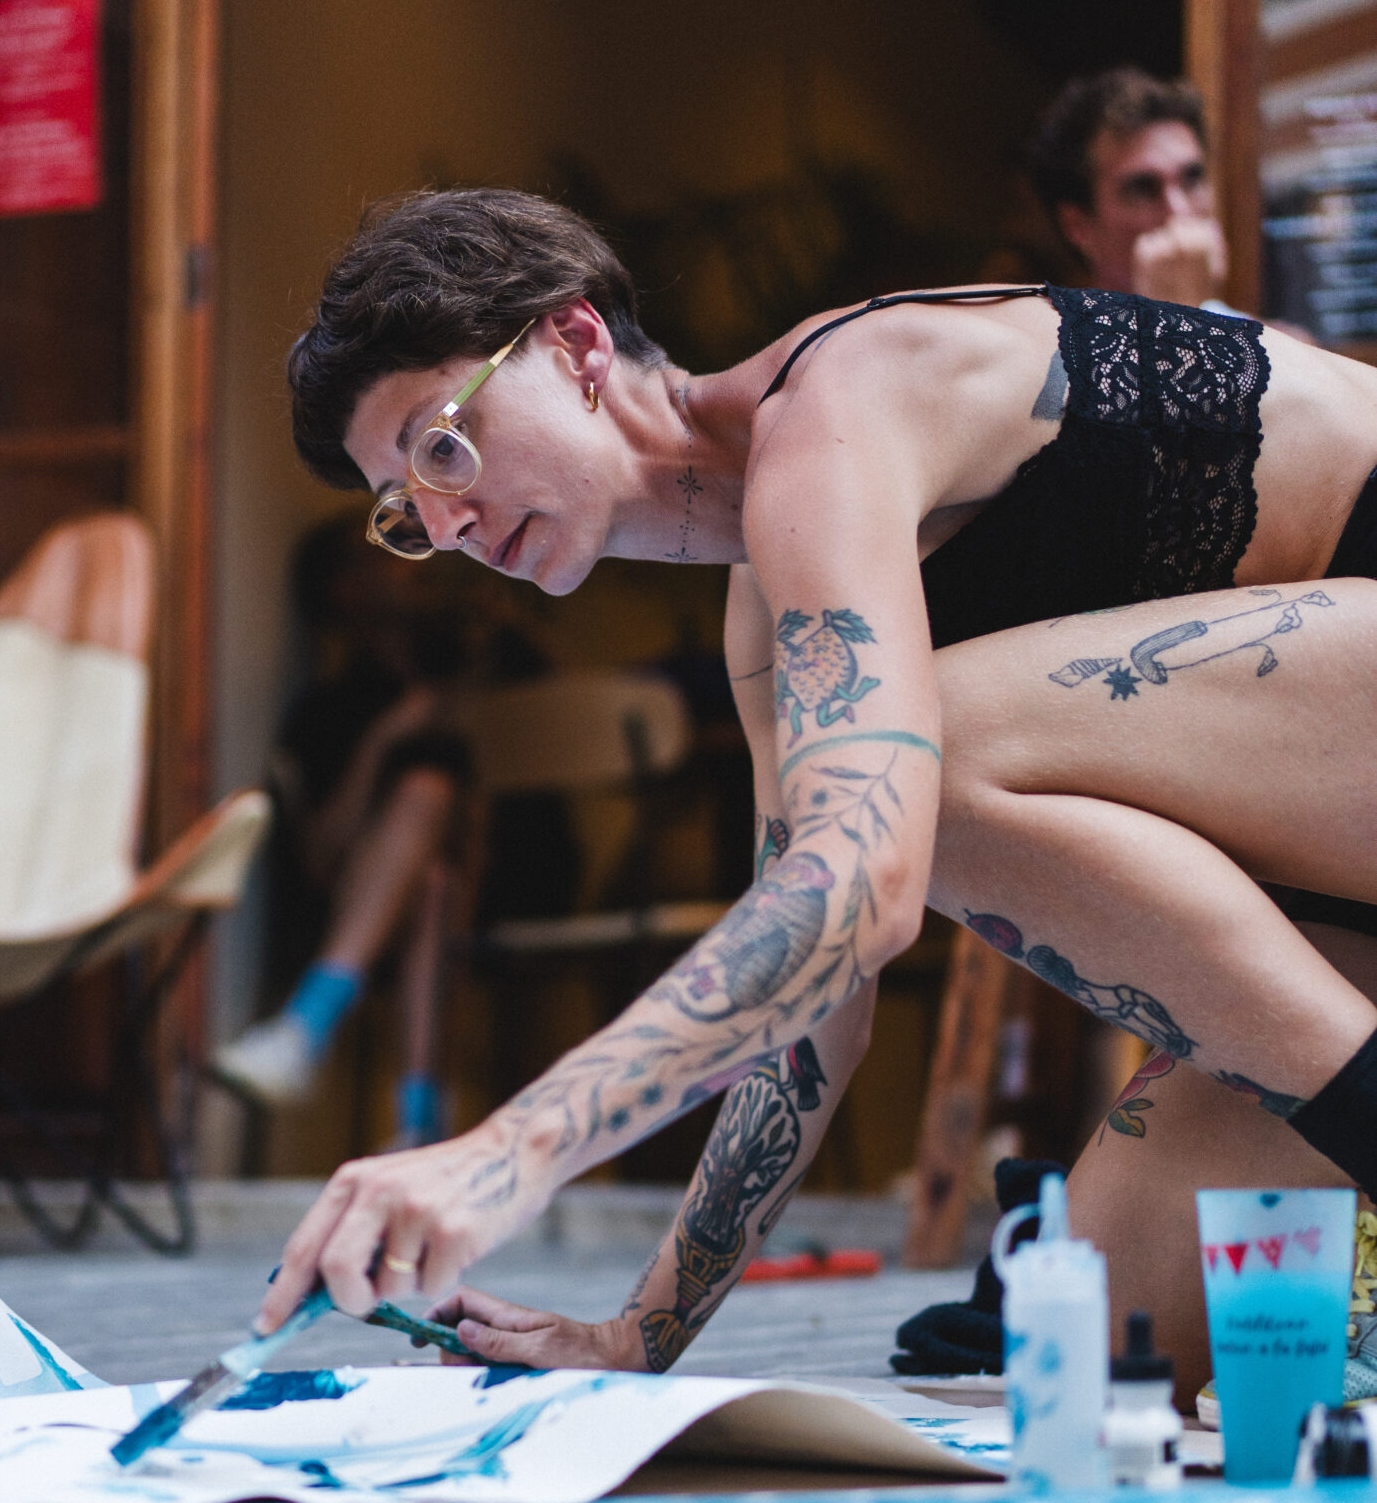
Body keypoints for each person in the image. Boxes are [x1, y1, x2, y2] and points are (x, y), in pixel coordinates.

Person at [256, 187, 1377, 1400]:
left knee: (928, 765)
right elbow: (814, 1004)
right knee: (1099, 1360)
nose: (447, 520)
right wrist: (639, 1334)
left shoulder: (843, 401)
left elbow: (867, 876)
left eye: (441, 443)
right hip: (1337, 853)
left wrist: (508, 1153)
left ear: (575, 343)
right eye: (406, 508)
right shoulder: (771, 608)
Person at [211, 517, 476, 1145]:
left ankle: (305, 1030)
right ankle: (420, 1123)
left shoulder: (468, 682)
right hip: (347, 901)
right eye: (383, 555)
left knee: (438, 872)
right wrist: (382, 742)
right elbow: (320, 854)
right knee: (430, 854)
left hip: (479, 898)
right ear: (343, 591)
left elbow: (484, 842)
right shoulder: (325, 711)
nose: (409, 562)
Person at [1022, 67, 1231, 315]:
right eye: (1142, 189)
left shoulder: (1263, 335)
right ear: (1077, 225)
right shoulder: (1042, 337)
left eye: (1192, 179)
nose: (1180, 210)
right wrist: (1175, 314)